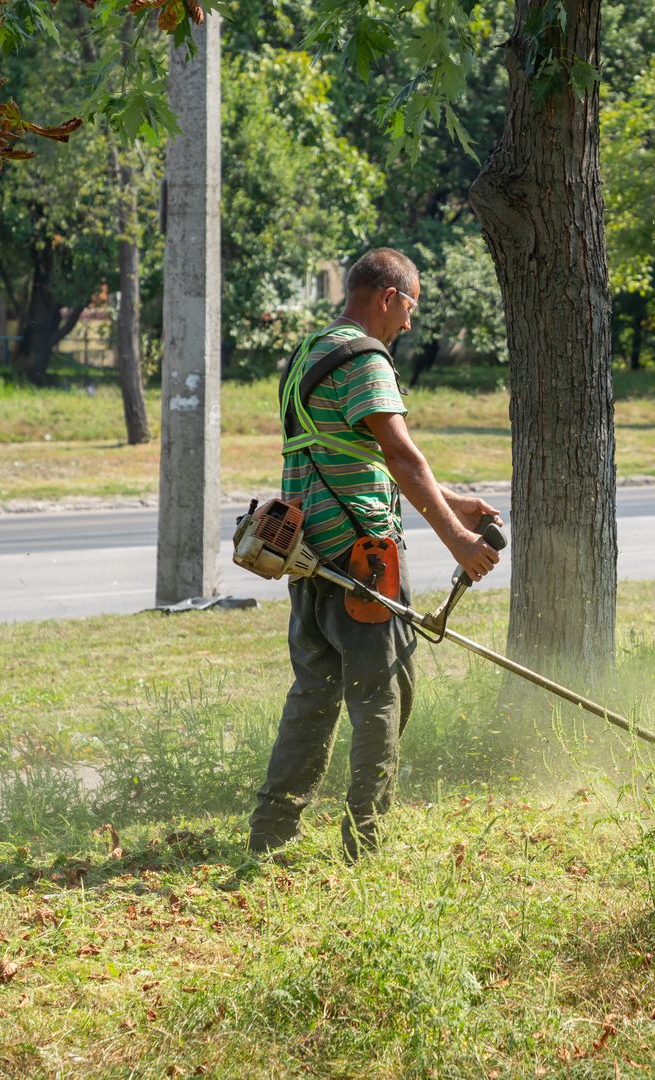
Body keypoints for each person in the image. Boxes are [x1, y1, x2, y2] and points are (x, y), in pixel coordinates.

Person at [248, 247, 501, 859]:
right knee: (385, 694)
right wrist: (460, 543)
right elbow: (399, 455)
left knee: (313, 694)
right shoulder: (366, 357)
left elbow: (347, 449)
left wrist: (454, 499)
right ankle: (367, 840)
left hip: (304, 555)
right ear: (389, 297)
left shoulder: (311, 351)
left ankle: (271, 834)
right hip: (363, 558)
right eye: (410, 306)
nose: (410, 323)